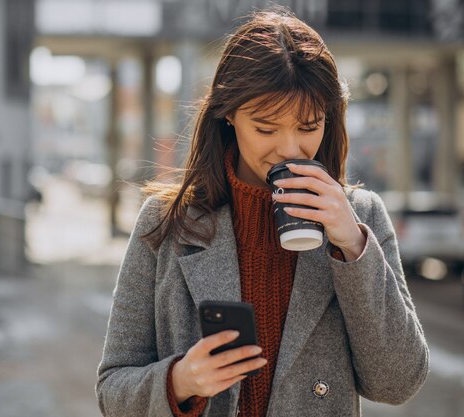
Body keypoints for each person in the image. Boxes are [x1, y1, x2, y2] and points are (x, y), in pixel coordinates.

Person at [96, 8, 428, 417]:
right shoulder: (168, 222)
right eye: (266, 128)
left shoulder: (361, 218)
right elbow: (112, 390)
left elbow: (398, 383)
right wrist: (181, 381)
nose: (289, 149)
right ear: (229, 115)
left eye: (308, 127)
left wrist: (352, 245)